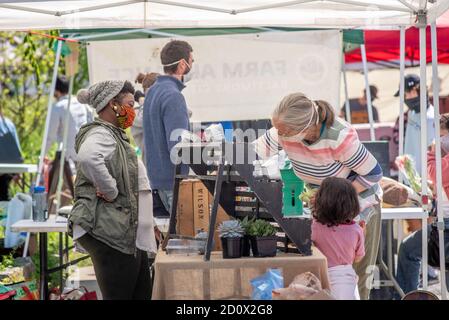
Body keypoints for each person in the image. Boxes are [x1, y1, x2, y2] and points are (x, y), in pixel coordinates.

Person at [254, 93, 383, 300]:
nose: (278, 134)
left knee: (355, 275)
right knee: (322, 272)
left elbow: (374, 174)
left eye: (283, 131)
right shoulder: (284, 131)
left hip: (357, 204)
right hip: (323, 204)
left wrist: (331, 196)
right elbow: (254, 153)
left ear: (304, 128)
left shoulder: (339, 137)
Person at [68, 80, 151, 300]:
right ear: (112, 104)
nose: (132, 111)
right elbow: (87, 157)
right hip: (111, 233)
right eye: (129, 104)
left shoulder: (114, 134)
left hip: (125, 234)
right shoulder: (101, 134)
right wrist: (111, 190)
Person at [396, 113, 449, 295]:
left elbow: (435, 171)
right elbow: (440, 182)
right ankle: (409, 295)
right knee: (408, 248)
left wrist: (432, 150)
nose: (439, 140)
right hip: (441, 223)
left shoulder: (442, 159)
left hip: (446, 226)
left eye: (441, 135)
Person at [143, 40, 193, 214]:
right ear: (182, 64)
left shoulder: (153, 91)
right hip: (172, 183)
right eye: (191, 62)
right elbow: (178, 147)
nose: (192, 66)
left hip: (155, 181)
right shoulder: (173, 96)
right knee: (185, 238)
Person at [312, 177, 366, 300]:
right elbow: (358, 258)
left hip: (320, 279)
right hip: (346, 282)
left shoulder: (314, 226)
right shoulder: (356, 230)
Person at [45, 76, 93, 174]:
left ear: (56, 91)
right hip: (87, 153)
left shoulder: (57, 107)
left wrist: (43, 154)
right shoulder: (82, 104)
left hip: (68, 157)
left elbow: (50, 136)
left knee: (67, 188)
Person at [395, 74, 435, 173]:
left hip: (426, 181)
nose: (404, 98)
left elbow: (434, 153)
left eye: (405, 94)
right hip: (412, 179)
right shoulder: (411, 113)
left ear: (414, 91)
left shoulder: (431, 118)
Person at [132, 72, 160, 162]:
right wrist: (144, 103)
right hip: (152, 165)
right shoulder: (139, 112)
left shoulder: (169, 103)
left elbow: (187, 112)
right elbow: (144, 121)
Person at [0, 111, 21, 200]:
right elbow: (16, 147)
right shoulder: (8, 123)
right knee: (4, 192)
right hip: (9, 166)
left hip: (4, 166)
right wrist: (18, 170)